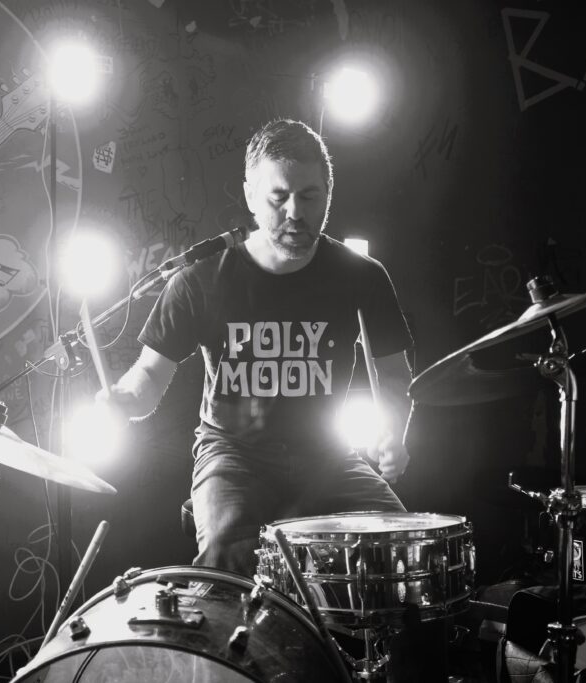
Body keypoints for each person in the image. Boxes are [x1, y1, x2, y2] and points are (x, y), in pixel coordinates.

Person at [99, 119, 413, 576]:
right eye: (278, 197)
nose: (295, 212)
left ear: (328, 194)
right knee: (226, 557)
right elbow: (149, 373)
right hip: (233, 454)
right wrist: (124, 400)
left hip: (328, 456)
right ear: (250, 196)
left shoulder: (362, 276)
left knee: (400, 548)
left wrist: (395, 432)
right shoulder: (200, 280)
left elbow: (395, 373)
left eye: (309, 196)